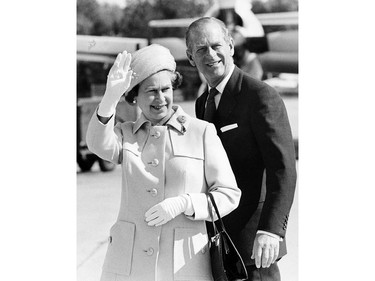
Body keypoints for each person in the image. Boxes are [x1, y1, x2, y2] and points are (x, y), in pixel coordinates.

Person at [86, 44, 241, 281]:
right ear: (134, 96)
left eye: (165, 89)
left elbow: (229, 194)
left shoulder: (201, 132)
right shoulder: (125, 134)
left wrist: (185, 203)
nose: (160, 98)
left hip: (185, 265)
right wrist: (109, 100)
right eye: (150, 91)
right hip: (129, 265)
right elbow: (97, 144)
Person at [185, 17, 297, 281]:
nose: (210, 54)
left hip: (256, 246)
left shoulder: (260, 95)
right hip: (220, 244)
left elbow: (283, 169)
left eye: (216, 45)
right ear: (191, 58)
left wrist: (271, 231)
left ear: (231, 46)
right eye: (201, 49)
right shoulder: (202, 103)